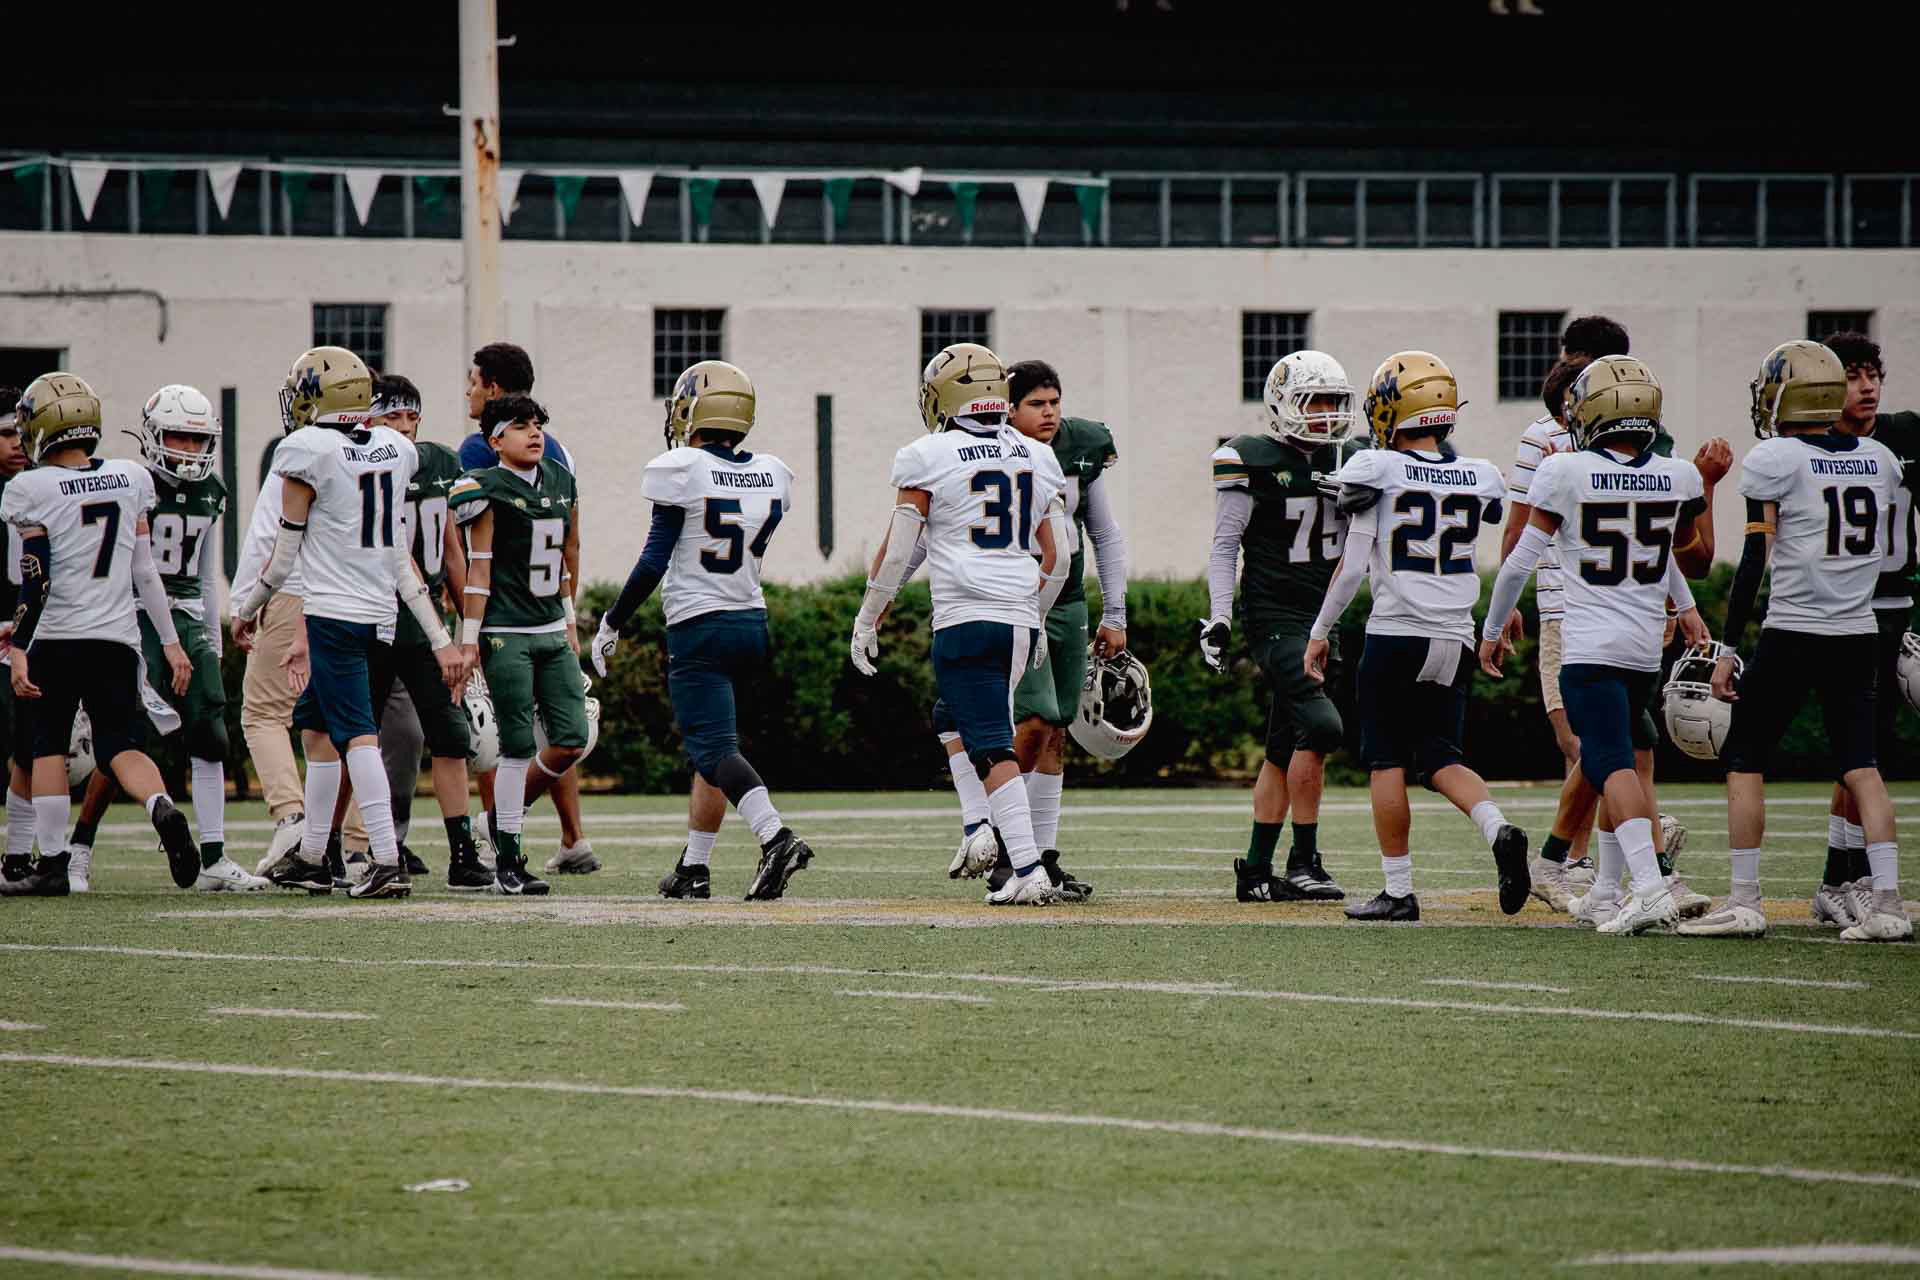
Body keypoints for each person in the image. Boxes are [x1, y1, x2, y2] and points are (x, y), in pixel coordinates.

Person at [1679, 341, 1910, 942]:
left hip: (1795, 629)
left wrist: (1729, 648)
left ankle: (1745, 900)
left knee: (1745, 757)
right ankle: (1888, 904)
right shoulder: (1881, 458)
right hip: (1858, 629)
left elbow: (1755, 557)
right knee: (1863, 766)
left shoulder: (1776, 457)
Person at [1479, 355, 1709, 936]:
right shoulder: (1678, 475)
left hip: (1590, 647)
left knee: (1609, 763)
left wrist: (1490, 630)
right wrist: (1686, 607)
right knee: (1617, 755)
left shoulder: (1565, 472)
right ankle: (1607, 892)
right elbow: (1664, 552)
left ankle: (1649, 887)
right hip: (1643, 649)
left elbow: (1519, 565)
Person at [233, 346, 464, 901]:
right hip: (377, 615)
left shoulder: (306, 452)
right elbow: (400, 561)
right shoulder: (392, 449)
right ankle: (313, 855)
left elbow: (282, 561)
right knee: (315, 728)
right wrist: (439, 638)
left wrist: (245, 611)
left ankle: (384, 857)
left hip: (334, 616)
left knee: (357, 734)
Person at [1304, 351, 1528, 921]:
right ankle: (1498, 828)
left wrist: (1320, 631)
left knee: (1386, 762)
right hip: (1455, 637)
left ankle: (1399, 890)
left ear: (1389, 409)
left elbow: (1353, 568)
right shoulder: (1480, 473)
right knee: (1441, 757)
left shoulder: (1375, 467)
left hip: (1396, 634)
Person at [847, 342, 1070, 905]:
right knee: (957, 716)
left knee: (992, 746)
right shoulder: (1036, 455)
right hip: (1018, 617)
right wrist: (1037, 615)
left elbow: (901, 550)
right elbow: (1060, 558)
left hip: (965, 616)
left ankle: (1028, 870)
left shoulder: (929, 454)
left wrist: (869, 615)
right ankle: (979, 830)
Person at [591, 360, 812, 900]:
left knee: (713, 750)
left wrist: (612, 619)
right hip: (751, 622)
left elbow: (653, 561)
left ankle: (775, 836)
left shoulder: (682, 468)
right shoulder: (772, 473)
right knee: (715, 748)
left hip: (701, 625)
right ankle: (694, 867)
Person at [0, 372, 202, 897]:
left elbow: (35, 577)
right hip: (117, 638)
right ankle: (160, 806)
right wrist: (171, 643)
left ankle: (51, 863)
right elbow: (145, 571)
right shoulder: (129, 477)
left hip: (57, 636)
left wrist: (19, 646)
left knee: (46, 744)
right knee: (120, 744)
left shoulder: (30, 488)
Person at [62, 385, 268, 892]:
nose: (190, 449)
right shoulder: (133, 484)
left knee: (211, 734)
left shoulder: (211, 489)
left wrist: (211, 640)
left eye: (198, 439)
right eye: (179, 437)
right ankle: (79, 846)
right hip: (133, 616)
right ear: (155, 434)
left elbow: (202, 575)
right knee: (125, 738)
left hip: (189, 618)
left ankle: (214, 856)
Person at [933, 359, 1119, 901]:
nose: (1050, 413)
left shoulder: (1078, 447)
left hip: (1066, 598)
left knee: (1057, 728)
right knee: (1030, 721)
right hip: (1011, 599)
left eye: (1055, 402)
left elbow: (1104, 534)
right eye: (1036, 404)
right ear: (1006, 409)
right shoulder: (984, 452)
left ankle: (1043, 856)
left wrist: (1116, 612)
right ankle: (1005, 847)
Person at [1204, 349, 1364, 903]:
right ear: (1280, 404)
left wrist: (1361, 495)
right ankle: (1304, 860)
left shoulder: (1356, 457)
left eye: (1333, 402)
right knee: (1322, 728)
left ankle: (1255, 870)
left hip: (1325, 620)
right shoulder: (1249, 457)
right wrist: (1220, 615)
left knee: (1283, 747)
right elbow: (1225, 546)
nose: (1325, 414)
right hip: (1275, 618)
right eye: (1313, 402)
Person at [456, 341, 595, 874]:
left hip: (549, 623)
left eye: (537, 424)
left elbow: (566, 554)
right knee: (513, 743)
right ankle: (509, 854)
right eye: (521, 425)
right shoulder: (482, 483)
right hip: (505, 628)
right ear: (495, 439)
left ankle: (504, 827)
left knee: (572, 736)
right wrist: (468, 640)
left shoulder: (559, 476)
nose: (534, 432)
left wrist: (570, 617)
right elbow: (478, 566)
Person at [359, 373, 488, 890]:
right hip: (371, 616)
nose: (405, 426)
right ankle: (329, 847)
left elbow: (452, 550)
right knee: (356, 738)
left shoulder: (440, 463)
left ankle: (462, 855)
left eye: (411, 416)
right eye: (392, 416)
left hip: (425, 621)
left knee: (450, 737)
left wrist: (470, 627)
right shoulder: (362, 464)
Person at [1811, 331, 1917, 928]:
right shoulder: (1809, 445)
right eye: (1852, 375)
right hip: (1844, 611)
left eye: (1872, 373)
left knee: (1868, 753)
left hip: (1896, 604)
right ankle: (1845, 879)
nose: (1867, 385)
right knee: (1861, 752)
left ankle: (1839, 879)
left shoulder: (1905, 434)